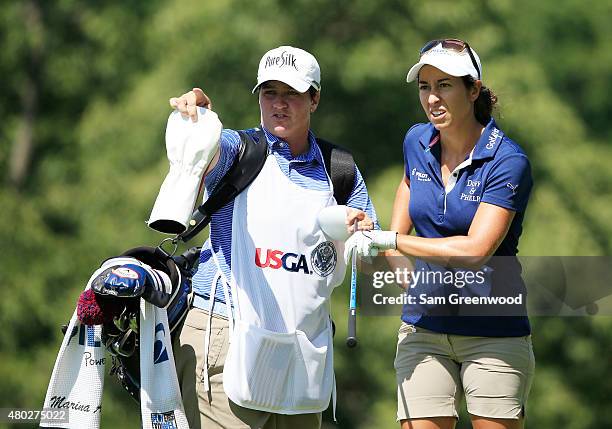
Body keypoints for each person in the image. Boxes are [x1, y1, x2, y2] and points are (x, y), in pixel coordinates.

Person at [166, 46, 377, 429]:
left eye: (291, 94)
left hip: (302, 344)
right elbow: (207, 146)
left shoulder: (340, 169)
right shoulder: (238, 149)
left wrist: (361, 231)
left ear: (314, 99)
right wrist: (196, 118)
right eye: (269, 93)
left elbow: (368, 248)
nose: (279, 104)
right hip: (224, 331)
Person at [345, 39, 535, 429]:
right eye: (424, 87)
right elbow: (407, 192)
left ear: (473, 89)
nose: (432, 98)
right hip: (423, 329)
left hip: (493, 334)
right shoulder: (416, 141)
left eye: (444, 85)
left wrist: (391, 241)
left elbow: (475, 249)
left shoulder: (508, 161)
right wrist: (391, 257)